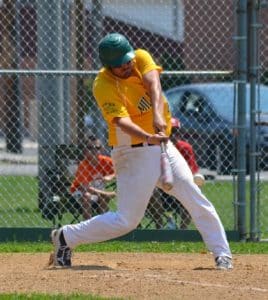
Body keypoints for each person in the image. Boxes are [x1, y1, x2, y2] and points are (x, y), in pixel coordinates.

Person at [49, 32, 233, 270]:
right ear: (108, 66)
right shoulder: (103, 85)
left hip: (162, 146)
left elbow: (154, 84)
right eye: (120, 65)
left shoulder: (140, 58)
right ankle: (66, 237)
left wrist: (157, 116)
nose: (127, 66)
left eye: (128, 61)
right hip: (132, 152)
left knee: (192, 194)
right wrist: (148, 136)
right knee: (127, 221)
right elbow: (120, 122)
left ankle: (222, 254)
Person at [70, 138, 116, 220]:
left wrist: (111, 176)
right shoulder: (83, 165)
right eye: (90, 148)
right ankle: (87, 225)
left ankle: (103, 224)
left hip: (98, 192)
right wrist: (107, 194)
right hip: (80, 192)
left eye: (97, 148)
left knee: (103, 198)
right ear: (85, 150)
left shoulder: (105, 161)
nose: (94, 150)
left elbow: (121, 170)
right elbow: (86, 188)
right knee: (87, 196)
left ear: (101, 149)